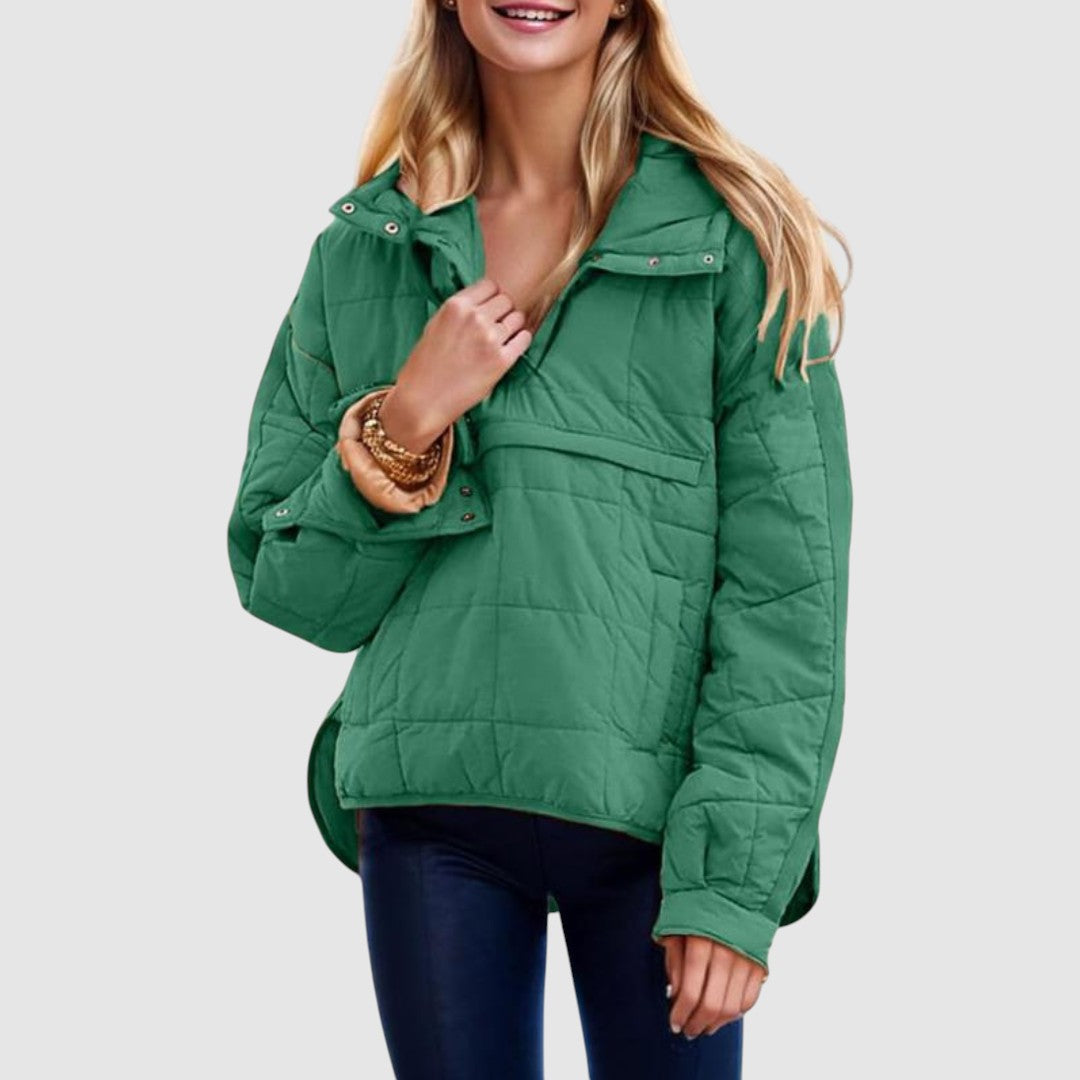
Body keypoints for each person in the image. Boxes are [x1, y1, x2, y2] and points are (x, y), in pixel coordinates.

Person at [226, 1, 853, 1076]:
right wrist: (406, 421)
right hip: (430, 810)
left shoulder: (734, 242)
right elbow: (293, 590)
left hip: (658, 833)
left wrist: (732, 882)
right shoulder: (364, 252)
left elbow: (787, 600)